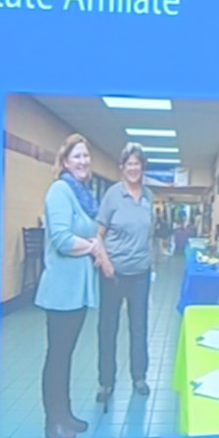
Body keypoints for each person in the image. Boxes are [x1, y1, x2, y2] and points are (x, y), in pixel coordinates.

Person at [33, 134, 109, 438]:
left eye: (86, 156)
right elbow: (63, 241)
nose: (83, 162)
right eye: (77, 156)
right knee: (58, 356)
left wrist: (94, 246)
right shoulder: (60, 191)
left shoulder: (81, 194)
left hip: (77, 292)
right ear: (65, 161)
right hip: (61, 291)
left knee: (67, 355)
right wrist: (93, 248)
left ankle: (65, 414)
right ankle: (53, 423)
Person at [95, 143, 157, 407]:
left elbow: (148, 232)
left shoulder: (149, 197)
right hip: (113, 273)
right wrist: (105, 262)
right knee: (108, 328)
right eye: (129, 164)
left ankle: (139, 377)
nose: (133, 168)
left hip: (140, 274)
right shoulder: (112, 195)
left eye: (137, 163)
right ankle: (106, 381)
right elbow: (98, 235)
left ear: (142, 167)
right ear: (122, 168)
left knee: (139, 327)